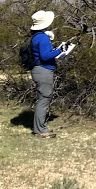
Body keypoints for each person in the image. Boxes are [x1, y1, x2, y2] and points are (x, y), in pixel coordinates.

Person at [29, 10, 75, 138]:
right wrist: (60, 50)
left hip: (39, 70)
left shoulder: (36, 36)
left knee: (42, 98)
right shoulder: (42, 37)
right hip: (43, 70)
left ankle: (39, 128)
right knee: (44, 99)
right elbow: (45, 56)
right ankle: (40, 130)